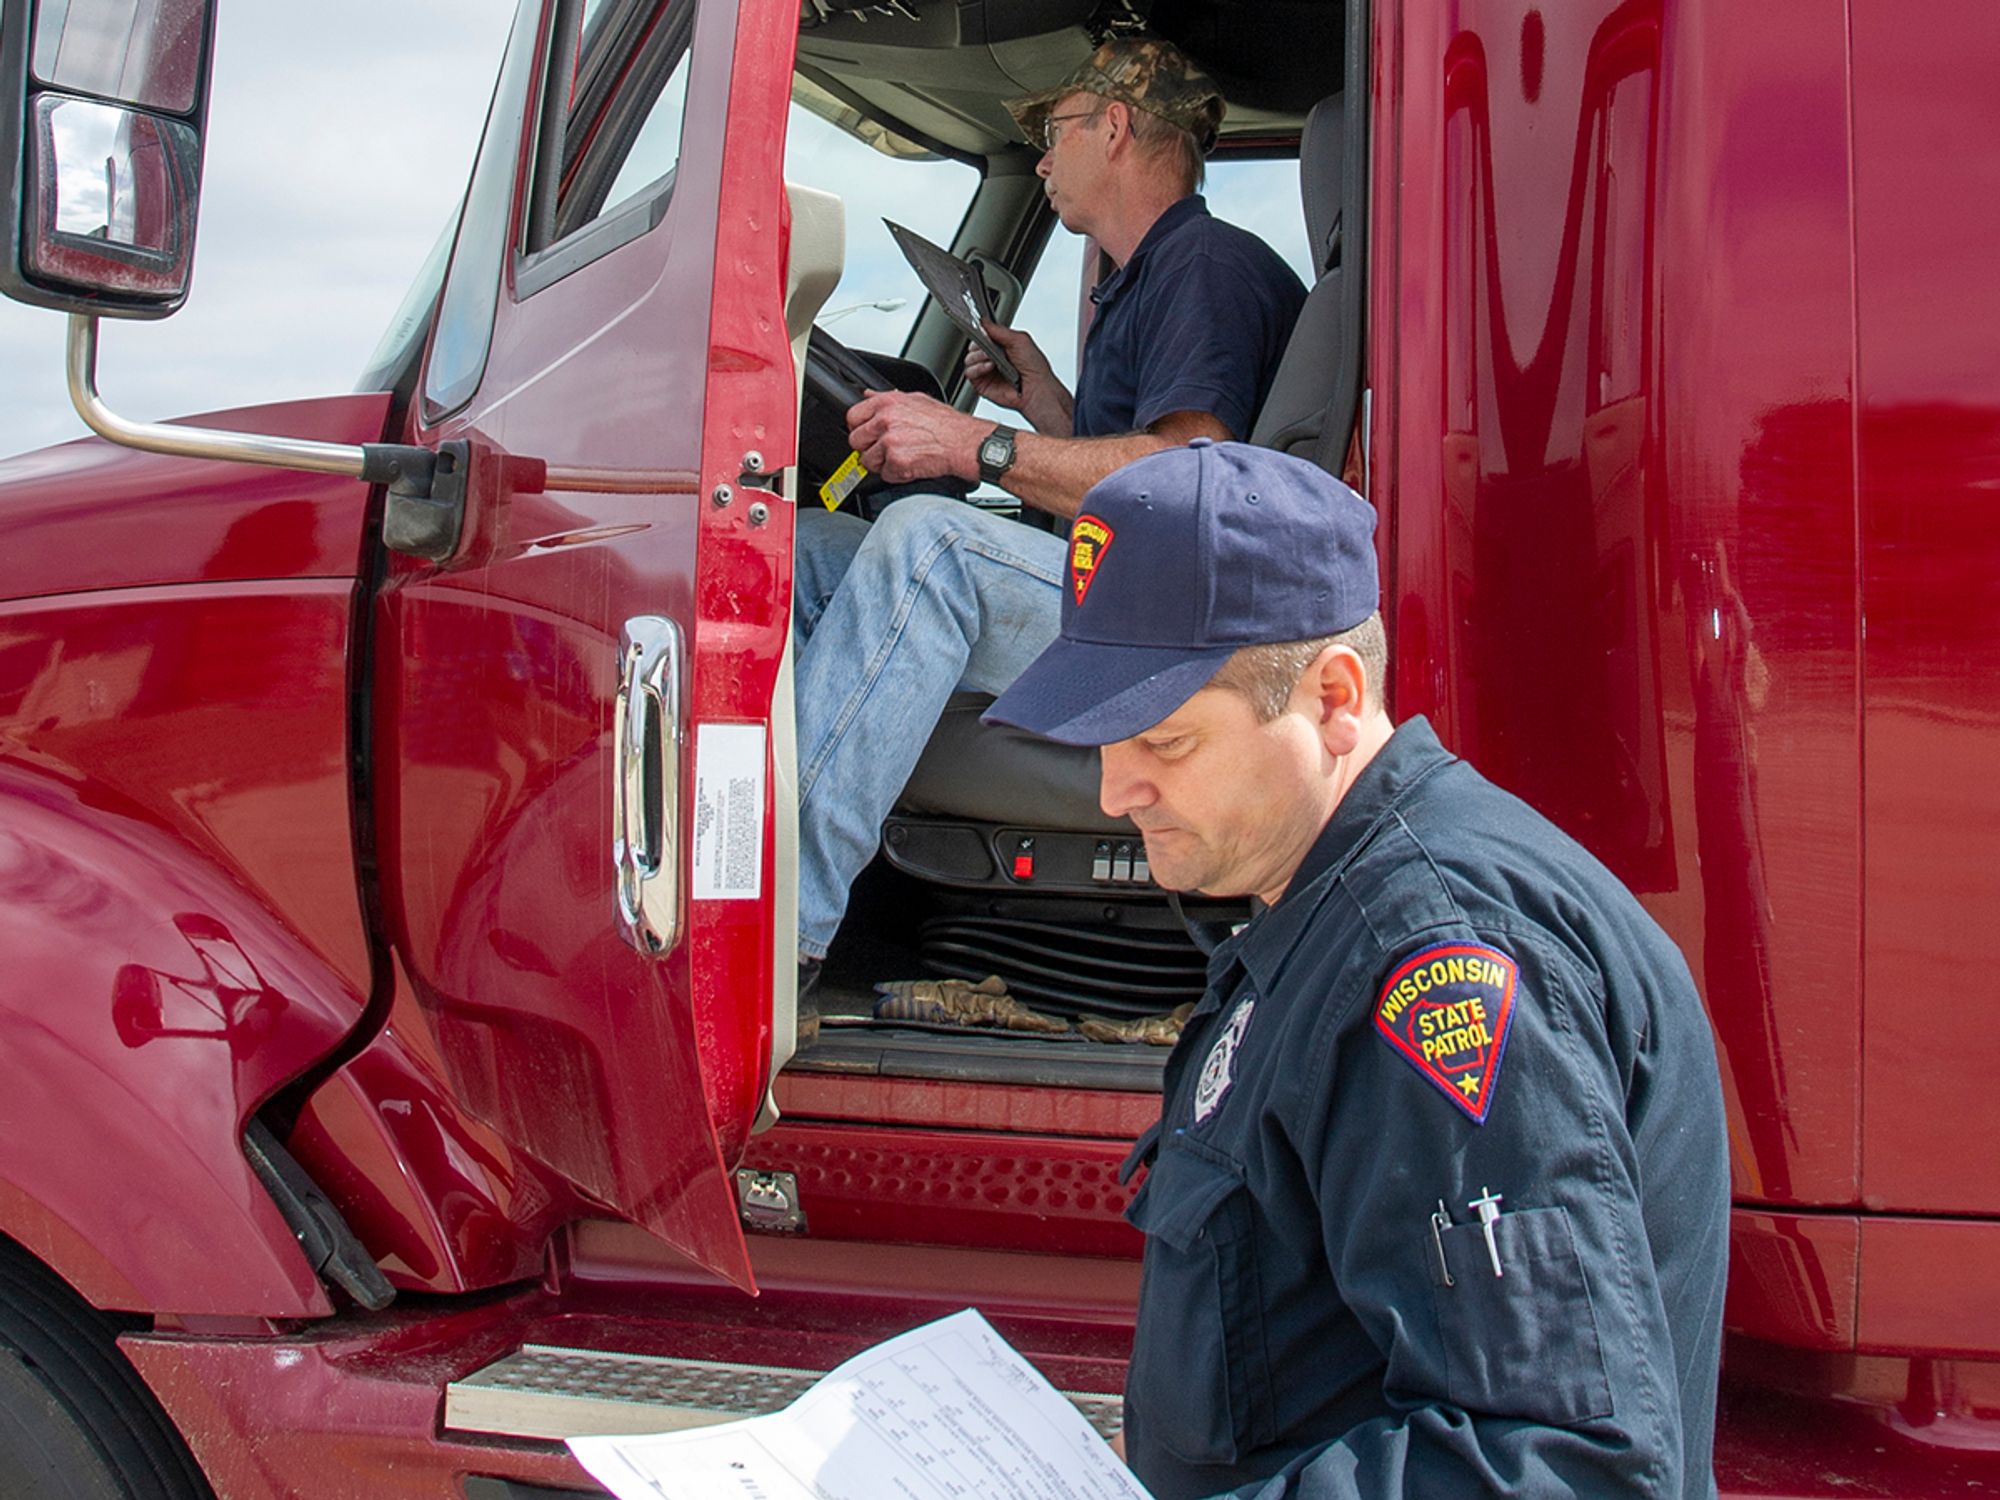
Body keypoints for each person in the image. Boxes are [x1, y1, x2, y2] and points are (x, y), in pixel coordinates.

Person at [983, 440, 1731, 1499]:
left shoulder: (1429, 959)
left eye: (1165, 741)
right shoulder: (1326, 913)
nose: (1116, 793)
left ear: (1332, 697)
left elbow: (1556, 1463)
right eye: (1103, 743)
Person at [791, 38, 1308, 994]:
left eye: (1054, 132)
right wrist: (1044, 407)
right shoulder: (1149, 276)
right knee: (804, 546)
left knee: (928, 542)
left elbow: (1183, 483)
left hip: (1172, 624)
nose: (1039, 159)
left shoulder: (1205, 269)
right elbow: (1138, 463)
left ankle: (786, 935)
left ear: (1114, 129)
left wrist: (971, 446)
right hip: (1126, 583)